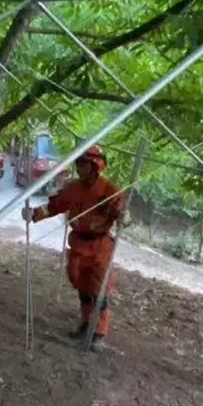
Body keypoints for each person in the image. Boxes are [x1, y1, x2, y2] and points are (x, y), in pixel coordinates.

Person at [22, 146, 125, 348]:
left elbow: (120, 213)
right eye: (77, 164)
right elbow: (54, 206)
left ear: (96, 166)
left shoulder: (109, 190)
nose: (79, 168)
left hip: (100, 245)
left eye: (83, 164)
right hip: (78, 243)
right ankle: (86, 324)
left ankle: (98, 333)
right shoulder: (72, 188)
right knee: (81, 283)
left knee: (98, 288)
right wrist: (34, 214)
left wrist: (124, 217)